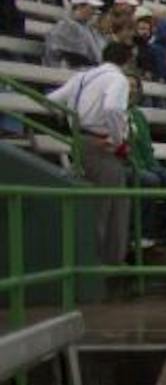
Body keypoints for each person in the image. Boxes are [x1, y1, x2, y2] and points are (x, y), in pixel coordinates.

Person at [47, 43, 136, 266]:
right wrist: (117, 140)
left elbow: (51, 100)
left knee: (100, 202)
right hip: (100, 142)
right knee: (110, 204)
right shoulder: (118, 79)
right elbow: (113, 109)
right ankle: (106, 261)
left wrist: (68, 121)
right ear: (126, 61)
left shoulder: (82, 76)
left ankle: (97, 259)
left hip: (80, 139)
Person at [43, 0, 105, 68]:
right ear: (79, 7)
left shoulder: (86, 28)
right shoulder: (68, 26)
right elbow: (77, 58)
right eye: (92, 8)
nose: (94, 12)